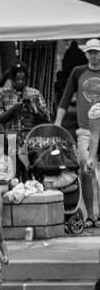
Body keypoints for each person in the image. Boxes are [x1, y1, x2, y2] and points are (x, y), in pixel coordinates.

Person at [55, 37, 100, 223]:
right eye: (90, 52)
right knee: (86, 171)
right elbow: (65, 98)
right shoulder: (78, 72)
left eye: (96, 52)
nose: (94, 56)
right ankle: (90, 215)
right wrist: (57, 124)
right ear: (86, 53)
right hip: (85, 130)